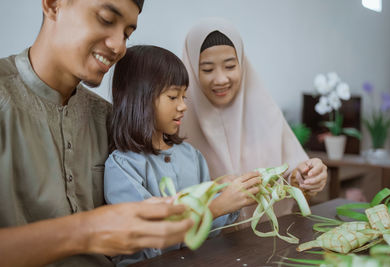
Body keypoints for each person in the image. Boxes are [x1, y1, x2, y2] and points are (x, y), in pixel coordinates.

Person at [0, 1, 193, 266]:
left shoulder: (108, 118)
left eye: (127, 34)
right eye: (105, 19)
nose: (119, 46)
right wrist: (86, 231)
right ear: (53, 5)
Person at [104, 45, 261, 265]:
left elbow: (206, 233)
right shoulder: (122, 165)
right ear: (139, 98)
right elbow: (150, 239)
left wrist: (224, 195)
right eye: (172, 96)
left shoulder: (192, 156)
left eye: (184, 97)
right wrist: (216, 207)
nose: (182, 106)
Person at [181, 18, 328, 221]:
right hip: (206, 249)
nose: (221, 79)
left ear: (242, 64)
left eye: (230, 66)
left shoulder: (267, 113)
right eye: (207, 69)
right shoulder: (177, 123)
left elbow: (295, 178)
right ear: (191, 70)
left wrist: (308, 177)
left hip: (265, 243)